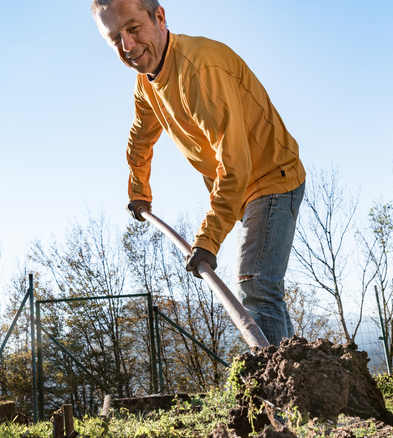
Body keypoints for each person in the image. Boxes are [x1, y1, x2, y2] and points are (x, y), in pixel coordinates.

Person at [92, 0, 306, 346]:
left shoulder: (199, 69)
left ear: (159, 17)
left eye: (134, 29)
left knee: (256, 282)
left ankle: (280, 388)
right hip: (241, 189)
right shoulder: (147, 82)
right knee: (263, 287)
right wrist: (138, 191)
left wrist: (207, 239)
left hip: (272, 177)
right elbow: (140, 140)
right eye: (114, 38)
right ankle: (295, 374)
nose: (127, 46)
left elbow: (235, 164)